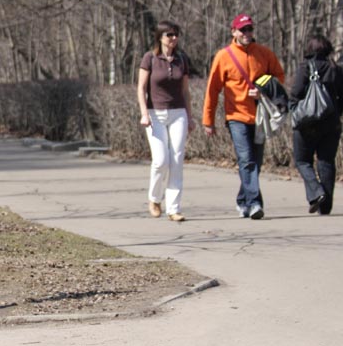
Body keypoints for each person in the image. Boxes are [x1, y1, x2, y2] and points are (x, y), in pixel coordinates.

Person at [203, 13, 285, 219]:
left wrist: (263, 90)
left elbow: (279, 77)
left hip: (259, 117)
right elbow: (213, 89)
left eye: (250, 29)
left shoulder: (264, 53)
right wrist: (208, 120)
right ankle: (255, 203)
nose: (247, 33)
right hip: (236, 116)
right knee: (246, 160)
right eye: (242, 30)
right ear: (234, 32)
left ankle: (243, 201)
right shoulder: (223, 56)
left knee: (255, 162)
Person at [137, 20, 195, 222]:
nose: (173, 38)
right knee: (161, 160)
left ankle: (173, 208)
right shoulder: (150, 58)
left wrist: (189, 116)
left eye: (176, 34)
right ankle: (154, 199)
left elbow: (185, 91)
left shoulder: (181, 60)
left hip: (178, 113)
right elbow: (141, 88)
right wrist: (144, 113)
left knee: (177, 160)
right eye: (169, 34)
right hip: (155, 114)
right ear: (160, 37)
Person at [288, 33, 343, 215]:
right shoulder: (335, 69)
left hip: (307, 123)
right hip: (331, 123)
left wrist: (293, 108)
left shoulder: (305, 67)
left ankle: (317, 192)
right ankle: (325, 206)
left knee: (302, 160)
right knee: (326, 161)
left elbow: (296, 93)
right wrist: (336, 114)